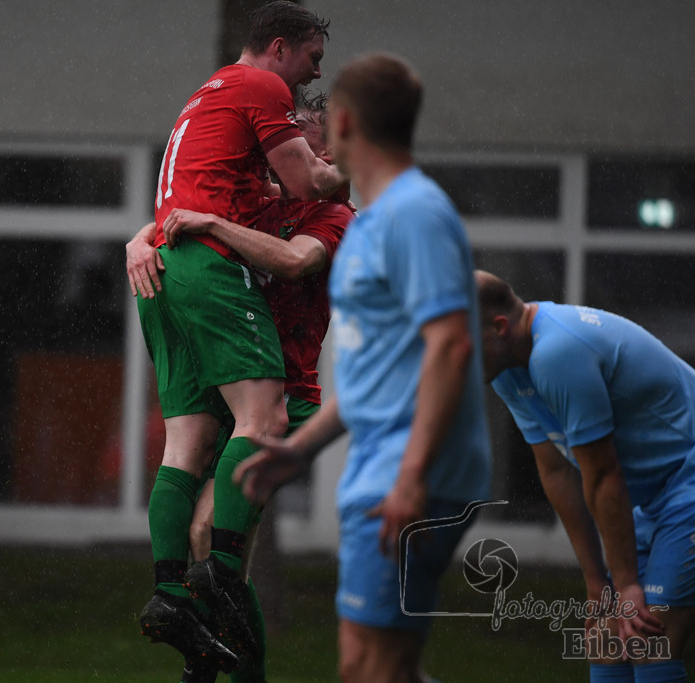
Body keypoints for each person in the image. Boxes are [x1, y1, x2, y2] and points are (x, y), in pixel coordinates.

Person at [235, 53, 492, 683]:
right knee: (365, 668)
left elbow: (451, 346)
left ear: (344, 123)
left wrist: (412, 477)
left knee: (378, 668)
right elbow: (378, 377)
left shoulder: (414, 213)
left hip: (410, 475)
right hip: (379, 469)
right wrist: (301, 450)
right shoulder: (371, 222)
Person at [135, 0, 346, 674]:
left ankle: (217, 636)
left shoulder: (332, 212)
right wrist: (143, 235)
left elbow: (293, 260)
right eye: (312, 57)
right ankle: (185, 607)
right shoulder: (261, 106)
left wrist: (194, 227)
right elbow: (197, 208)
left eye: (304, 145)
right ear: (280, 47)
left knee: (207, 504)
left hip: (291, 390)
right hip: (237, 358)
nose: (289, 153)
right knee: (203, 500)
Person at [476, 270, 693, 682]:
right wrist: (598, 582)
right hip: (652, 496)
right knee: (606, 642)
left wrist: (626, 584)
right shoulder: (506, 366)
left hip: (687, 480)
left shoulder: (556, 353)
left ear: (499, 327)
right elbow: (556, 469)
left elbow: (603, 473)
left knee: (650, 642)